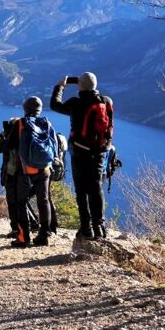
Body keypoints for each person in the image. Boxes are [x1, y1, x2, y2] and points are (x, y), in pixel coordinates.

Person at [50, 72, 114, 239]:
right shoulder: (106, 101)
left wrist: (60, 87)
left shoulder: (76, 103)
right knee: (96, 187)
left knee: (81, 190)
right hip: (100, 152)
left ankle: (86, 227)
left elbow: (55, 105)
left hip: (79, 152)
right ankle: (99, 226)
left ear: (80, 86)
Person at [3, 97, 58, 248]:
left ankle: (23, 238)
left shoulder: (21, 123)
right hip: (45, 168)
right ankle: (44, 235)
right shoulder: (47, 123)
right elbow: (55, 145)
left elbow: (9, 145)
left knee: (21, 202)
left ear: (25, 109)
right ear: (39, 110)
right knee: (44, 200)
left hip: (26, 171)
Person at [0, 118, 22, 238]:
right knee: (22, 202)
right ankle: (28, 226)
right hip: (24, 174)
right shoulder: (23, 138)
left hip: (10, 175)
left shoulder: (8, 141)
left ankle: (16, 229)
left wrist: (0, 135)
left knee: (12, 203)